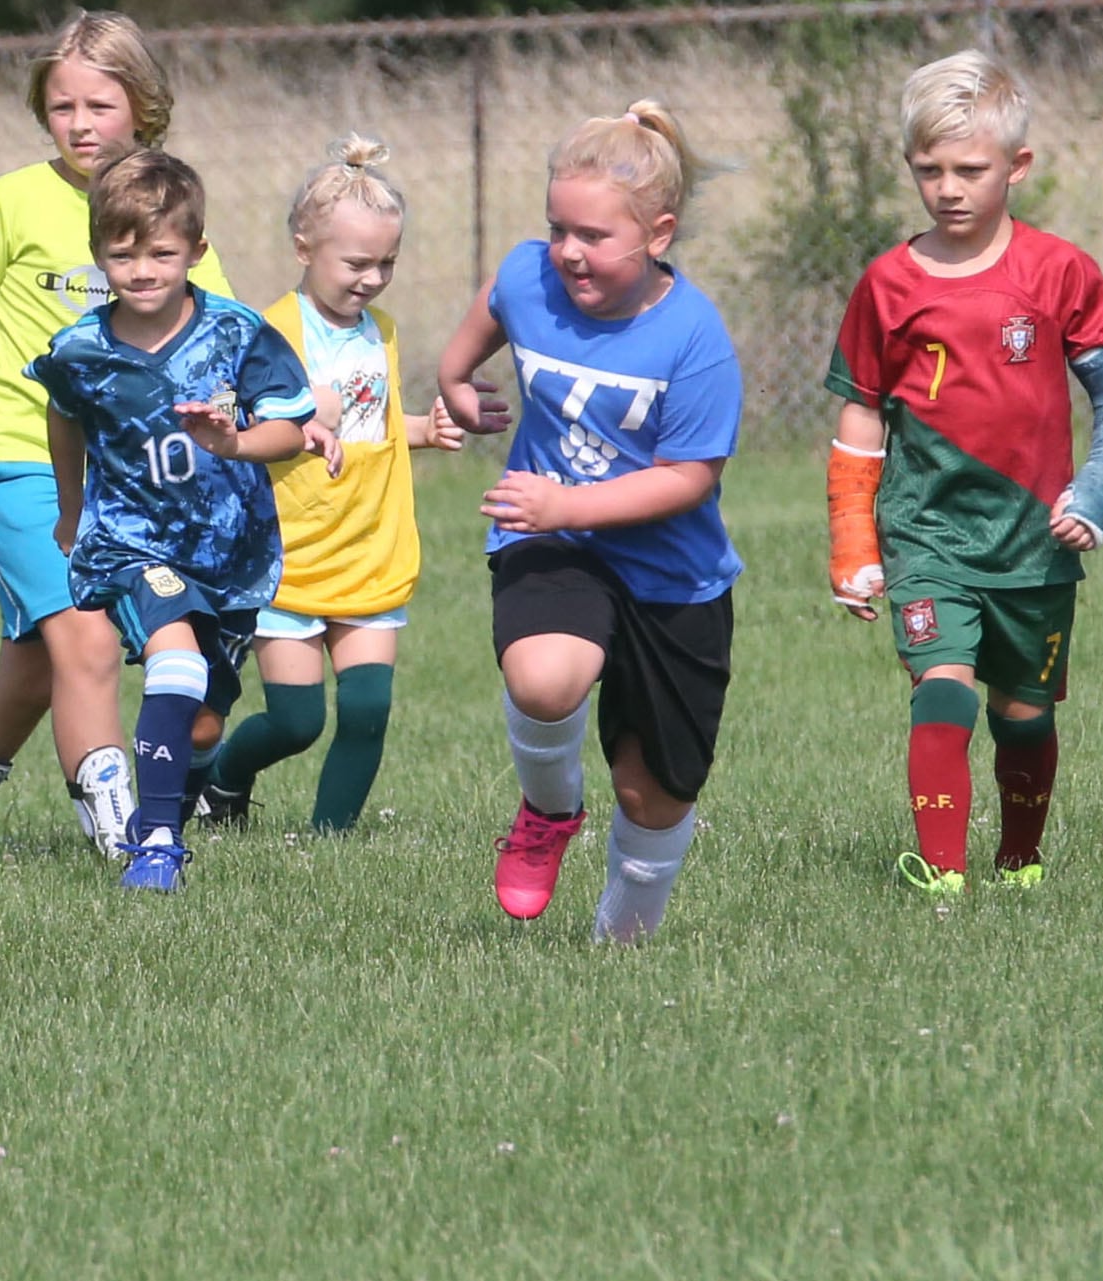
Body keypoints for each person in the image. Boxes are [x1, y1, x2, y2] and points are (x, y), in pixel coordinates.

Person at [0, 10, 236, 866]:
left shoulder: (164, 205)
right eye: (61, 106)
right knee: (87, 640)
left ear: (141, 106)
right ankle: (129, 846)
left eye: (99, 105)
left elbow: (213, 336)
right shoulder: (11, 201)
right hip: (9, 454)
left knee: (33, 669)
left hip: (120, 475)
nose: (80, 123)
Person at [824, 51, 1103, 898]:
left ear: (1016, 166)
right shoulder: (886, 286)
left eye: (969, 169)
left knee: (1023, 713)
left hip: (1034, 542)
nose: (948, 188)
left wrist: (1097, 492)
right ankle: (941, 872)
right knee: (942, 683)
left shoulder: (1058, 272)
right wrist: (853, 539)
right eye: (927, 170)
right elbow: (859, 412)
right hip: (925, 532)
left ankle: (1017, 862)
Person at [437, 100, 741, 944]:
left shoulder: (693, 338)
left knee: (654, 793)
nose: (567, 251)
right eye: (556, 227)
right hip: (552, 542)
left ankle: (620, 945)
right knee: (542, 677)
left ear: (658, 234)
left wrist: (566, 500)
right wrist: (459, 385)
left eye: (593, 236)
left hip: (673, 576)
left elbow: (689, 477)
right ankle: (548, 808)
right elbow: (480, 326)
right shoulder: (530, 276)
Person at [28, 150, 314, 893]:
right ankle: (155, 843)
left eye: (160, 252)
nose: (142, 269)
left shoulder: (237, 334)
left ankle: (170, 808)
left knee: (203, 725)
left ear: (196, 249)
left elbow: (292, 428)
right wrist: (70, 508)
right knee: (174, 659)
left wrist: (234, 442)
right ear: (98, 256)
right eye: (121, 255)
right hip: (130, 541)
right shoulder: (80, 350)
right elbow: (63, 416)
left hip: (232, 552)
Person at [197, 137, 477, 832]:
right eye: (356, 262)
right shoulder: (265, 333)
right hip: (289, 557)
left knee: (366, 710)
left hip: (368, 547)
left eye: (386, 262)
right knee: (296, 719)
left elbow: (367, 425)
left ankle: (329, 842)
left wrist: (422, 429)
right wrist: (287, 421)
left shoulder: (380, 331)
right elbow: (233, 435)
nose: (373, 278)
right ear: (303, 247)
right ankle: (225, 779)